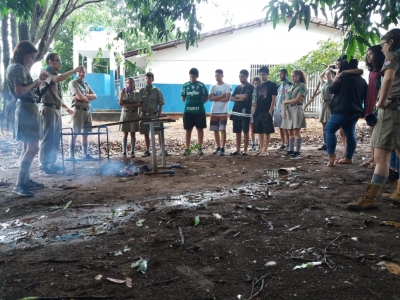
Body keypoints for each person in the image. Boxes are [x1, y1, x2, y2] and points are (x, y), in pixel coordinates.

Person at [348, 29, 400, 210]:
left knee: (381, 158)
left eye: (383, 43)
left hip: (391, 110)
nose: (382, 48)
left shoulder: (393, 56)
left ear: (391, 42)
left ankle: (370, 198)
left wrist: (381, 101)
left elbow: (388, 79)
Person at [5, 41, 49, 197]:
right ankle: (19, 184)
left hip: (26, 108)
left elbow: (27, 88)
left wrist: (39, 80)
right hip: (26, 109)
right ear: (23, 53)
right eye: (31, 56)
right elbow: (20, 90)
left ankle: (26, 180)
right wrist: (37, 81)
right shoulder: (18, 68)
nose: (32, 60)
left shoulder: (16, 67)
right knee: (33, 148)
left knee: (26, 147)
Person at [39, 53, 85, 174]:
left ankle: (52, 163)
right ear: (50, 61)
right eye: (57, 60)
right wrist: (73, 70)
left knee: (55, 137)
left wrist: (66, 108)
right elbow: (55, 80)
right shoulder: (45, 72)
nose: (60, 63)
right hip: (47, 108)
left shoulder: (55, 74)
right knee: (47, 137)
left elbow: (56, 96)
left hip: (56, 109)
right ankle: (44, 166)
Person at [325, 58, 367, 167]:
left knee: (329, 129)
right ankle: (348, 157)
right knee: (349, 133)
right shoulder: (362, 80)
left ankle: (331, 155)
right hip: (356, 110)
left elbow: (333, 90)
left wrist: (334, 81)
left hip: (341, 109)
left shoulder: (342, 77)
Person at [359, 45, 385, 168]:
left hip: (378, 102)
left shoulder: (383, 70)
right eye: (367, 53)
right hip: (370, 101)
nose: (368, 56)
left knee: (376, 131)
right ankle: (372, 158)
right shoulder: (372, 70)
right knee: (372, 130)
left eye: (371, 53)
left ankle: (376, 160)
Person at [67, 67, 97, 159]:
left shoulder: (85, 84)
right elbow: (79, 97)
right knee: (75, 132)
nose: (81, 74)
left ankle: (85, 154)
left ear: (85, 73)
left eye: (83, 72)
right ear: (76, 73)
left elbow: (95, 96)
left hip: (87, 111)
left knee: (86, 133)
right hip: (78, 110)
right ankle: (71, 155)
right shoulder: (73, 83)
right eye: (79, 72)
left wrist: (84, 96)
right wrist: (86, 98)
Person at [280, 70, 308, 159]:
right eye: (292, 76)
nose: (293, 78)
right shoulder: (291, 86)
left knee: (296, 131)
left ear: (299, 76)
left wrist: (286, 102)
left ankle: (297, 152)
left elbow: (298, 99)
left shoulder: (302, 86)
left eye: (295, 76)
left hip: (297, 109)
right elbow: (286, 100)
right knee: (290, 131)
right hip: (289, 109)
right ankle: (290, 150)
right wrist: (283, 111)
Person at [181, 68, 209, 156]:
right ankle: (187, 149)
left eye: (194, 77)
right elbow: (183, 98)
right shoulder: (185, 85)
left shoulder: (201, 85)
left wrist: (199, 104)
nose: (192, 78)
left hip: (199, 112)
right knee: (188, 130)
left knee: (200, 129)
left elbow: (206, 97)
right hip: (188, 111)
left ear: (197, 76)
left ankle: (200, 148)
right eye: (191, 76)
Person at [138, 72, 166, 157]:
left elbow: (161, 103)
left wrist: (159, 114)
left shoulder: (157, 91)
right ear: (145, 79)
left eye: (149, 78)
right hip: (144, 115)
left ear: (152, 79)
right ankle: (147, 150)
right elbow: (139, 104)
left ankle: (162, 150)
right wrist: (139, 115)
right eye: (146, 78)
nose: (148, 80)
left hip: (154, 115)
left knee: (158, 132)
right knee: (145, 132)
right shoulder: (141, 91)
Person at [252, 66, 277, 156]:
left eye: (263, 74)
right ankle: (261, 149)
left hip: (267, 111)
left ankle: (266, 150)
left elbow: (274, 98)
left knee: (267, 131)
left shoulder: (272, 85)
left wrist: (270, 110)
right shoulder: (259, 86)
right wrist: (255, 110)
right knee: (260, 131)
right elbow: (257, 99)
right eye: (260, 75)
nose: (262, 76)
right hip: (259, 111)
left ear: (267, 74)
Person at [230, 69, 254, 156]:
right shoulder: (238, 87)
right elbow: (231, 98)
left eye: (242, 77)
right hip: (236, 112)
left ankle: (245, 150)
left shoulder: (250, 86)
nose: (241, 78)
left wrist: (237, 96)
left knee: (245, 131)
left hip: (245, 113)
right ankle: (238, 150)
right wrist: (239, 98)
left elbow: (245, 96)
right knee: (237, 131)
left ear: (247, 76)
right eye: (239, 77)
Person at [209, 69, 231, 156]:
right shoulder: (213, 86)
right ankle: (218, 146)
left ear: (222, 75)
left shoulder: (227, 86)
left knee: (222, 129)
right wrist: (222, 95)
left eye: (218, 75)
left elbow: (227, 98)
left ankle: (222, 147)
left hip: (223, 111)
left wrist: (216, 97)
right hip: (214, 111)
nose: (217, 77)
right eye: (215, 76)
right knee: (215, 130)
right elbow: (211, 98)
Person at [118, 77, 140, 158]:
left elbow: (138, 104)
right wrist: (121, 93)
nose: (129, 84)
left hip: (134, 114)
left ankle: (133, 151)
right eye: (128, 83)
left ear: (134, 84)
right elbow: (120, 104)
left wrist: (127, 105)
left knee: (133, 133)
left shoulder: (137, 93)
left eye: (131, 83)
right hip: (125, 114)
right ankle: (124, 151)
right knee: (125, 133)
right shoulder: (123, 93)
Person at [317, 67, 336, 150]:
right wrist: (326, 69)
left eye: (329, 74)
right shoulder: (324, 84)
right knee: (324, 126)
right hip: (323, 104)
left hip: (329, 104)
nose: (327, 75)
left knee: (329, 125)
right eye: (326, 74)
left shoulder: (333, 83)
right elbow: (319, 77)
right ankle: (325, 143)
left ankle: (330, 143)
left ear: (332, 75)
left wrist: (333, 70)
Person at [274, 69, 292, 151]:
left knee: (287, 127)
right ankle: (283, 143)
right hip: (278, 108)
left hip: (286, 108)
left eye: (281, 74)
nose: (280, 76)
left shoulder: (290, 85)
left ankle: (288, 143)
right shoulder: (279, 86)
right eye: (279, 74)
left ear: (285, 74)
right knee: (280, 126)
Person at [249, 77, 261, 151]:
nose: (256, 85)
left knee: (259, 128)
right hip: (252, 109)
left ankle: (260, 144)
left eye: (257, 83)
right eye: (255, 83)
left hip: (259, 109)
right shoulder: (251, 91)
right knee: (252, 128)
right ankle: (253, 144)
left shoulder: (262, 91)